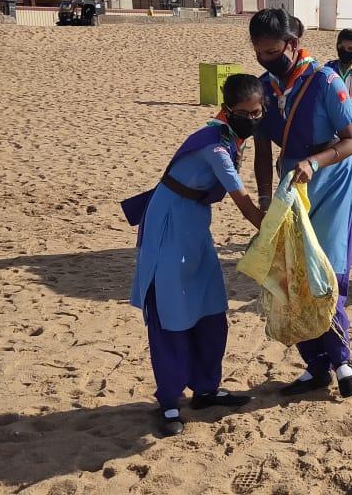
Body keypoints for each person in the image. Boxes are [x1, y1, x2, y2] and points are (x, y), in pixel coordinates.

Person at [125, 74, 267, 437]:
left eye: (258, 112)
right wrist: (271, 231)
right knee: (171, 313)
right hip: (170, 224)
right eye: (245, 113)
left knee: (210, 306)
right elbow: (242, 201)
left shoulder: (231, 139)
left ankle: (206, 388)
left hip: (196, 226)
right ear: (227, 109)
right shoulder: (214, 146)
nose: (252, 119)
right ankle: (170, 401)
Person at [248, 9, 352, 398]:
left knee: (326, 275)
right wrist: (264, 200)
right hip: (290, 189)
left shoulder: (325, 81)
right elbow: (262, 150)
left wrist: (315, 161)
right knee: (292, 277)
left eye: (271, 51)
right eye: (258, 52)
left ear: (292, 45)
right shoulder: (264, 90)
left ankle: (342, 361)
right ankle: (317, 367)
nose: (265, 59)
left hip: (330, 183)